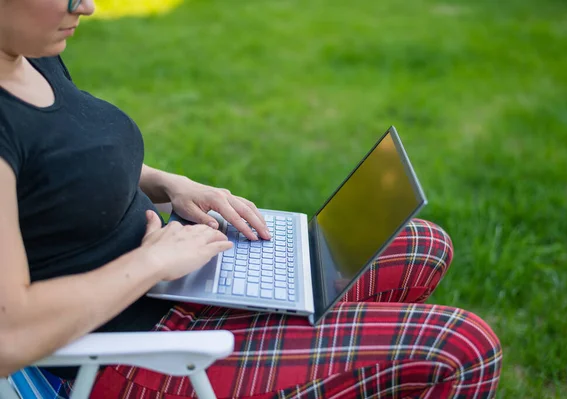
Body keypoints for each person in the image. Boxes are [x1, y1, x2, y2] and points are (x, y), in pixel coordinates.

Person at [0, 0, 503, 397]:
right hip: (134, 357)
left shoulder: (33, 55)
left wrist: (167, 183)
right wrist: (153, 264)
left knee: (422, 246)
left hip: (176, 286)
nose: (85, 6)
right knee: (463, 347)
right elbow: (11, 335)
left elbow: (68, 165)